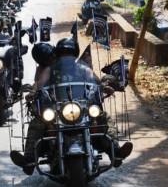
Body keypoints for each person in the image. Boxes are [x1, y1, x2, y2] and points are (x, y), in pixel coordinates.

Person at [10, 37, 133, 175]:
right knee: (37, 122)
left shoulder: (82, 67)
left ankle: (115, 152)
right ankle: (29, 160)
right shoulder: (51, 69)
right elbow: (40, 82)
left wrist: (105, 87)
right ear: (59, 55)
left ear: (74, 55)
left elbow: (96, 81)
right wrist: (33, 91)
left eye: (69, 54)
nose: (66, 57)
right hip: (57, 107)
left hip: (82, 105)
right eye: (63, 54)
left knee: (103, 117)